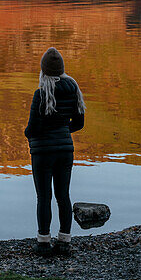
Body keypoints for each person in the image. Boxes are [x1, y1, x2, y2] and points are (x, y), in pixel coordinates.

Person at [24, 47, 86, 257]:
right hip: (65, 151)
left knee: (44, 197)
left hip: (43, 153)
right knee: (63, 196)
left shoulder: (41, 94)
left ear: (43, 71)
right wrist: (62, 131)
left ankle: (43, 243)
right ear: (62, 69)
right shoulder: (73, 88)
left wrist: (30, 136)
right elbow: (79, 123)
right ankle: (64, 242)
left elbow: (33, 128)